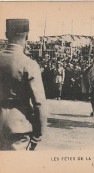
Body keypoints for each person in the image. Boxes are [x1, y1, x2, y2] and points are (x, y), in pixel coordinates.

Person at [0, 19, 47, 150]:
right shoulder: (29, 64)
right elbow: (39, 104)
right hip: (18, 129)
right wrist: (38, 134)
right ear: (27, 36)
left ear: (6, 34)